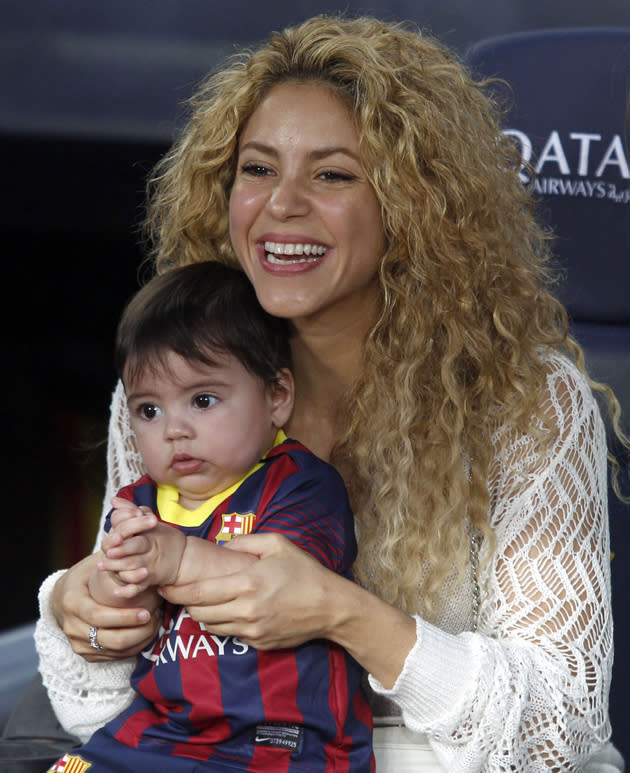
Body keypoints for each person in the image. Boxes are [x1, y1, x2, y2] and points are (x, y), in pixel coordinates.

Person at [33, 13, 628, 772]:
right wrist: (78, 615)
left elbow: (557, 731)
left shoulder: (528, 398)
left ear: (414, 208)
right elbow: (105, 706)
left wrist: (337, 611)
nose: (282, 204)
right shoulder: (171, 390)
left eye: (332, 174)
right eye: (257, 168)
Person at [48, 261, 374, 772]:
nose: (174, 429)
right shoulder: (141, 502)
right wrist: (112, 585)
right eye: (149, 410)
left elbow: (278, 586)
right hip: (163, 728)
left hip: (279, 738)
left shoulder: (300, 484)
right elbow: (122, 615)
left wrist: (173, 558)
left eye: (202, 400)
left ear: (276, 397)